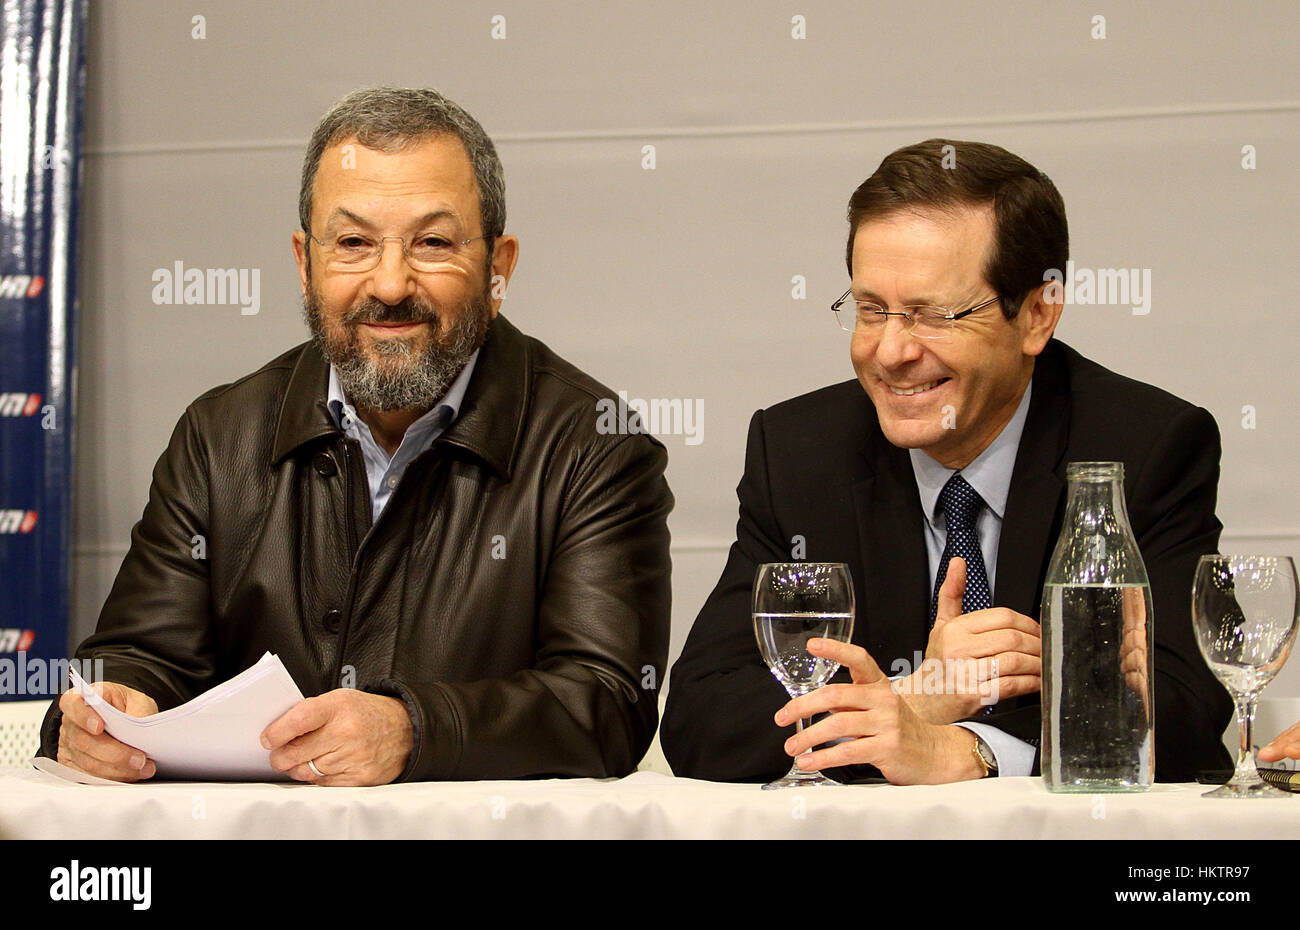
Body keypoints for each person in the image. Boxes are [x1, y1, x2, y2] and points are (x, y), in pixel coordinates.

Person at [41, 87, 673, 785]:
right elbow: (141, 657)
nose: (392, 283)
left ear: (500, 267)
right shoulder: (218, 438)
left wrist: (415, 731)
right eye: (353, 243)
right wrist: (107, 710)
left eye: (433, 242)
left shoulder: (596, 446)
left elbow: (607, 706)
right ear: (304, 263)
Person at [662, 139, 1231, 784]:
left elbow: (1184, 709)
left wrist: (971, 751)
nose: (892, 352)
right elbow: (701, 719)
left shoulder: (1143, 446)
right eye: (872, 310)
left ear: (1038, 313)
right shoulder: (799, 451)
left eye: (935, 315)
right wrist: (916, 699)